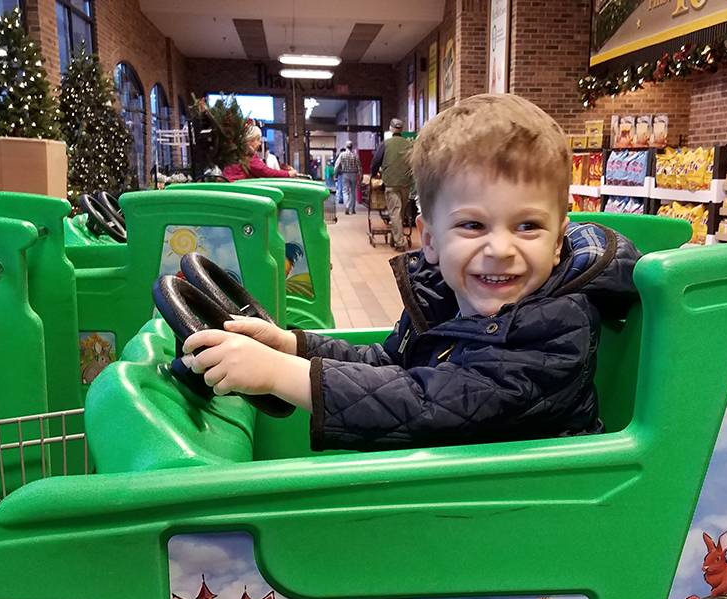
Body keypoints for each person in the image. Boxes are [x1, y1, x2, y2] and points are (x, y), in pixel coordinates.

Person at [181, 93, 641, 454]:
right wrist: (294, 345)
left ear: (558, 239)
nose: (500, 249)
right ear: (430, 239)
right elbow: (392, 363)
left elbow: (426, 403)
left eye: (527, 226)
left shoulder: (555, 334)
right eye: (473, 225)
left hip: (541, 516)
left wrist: (282, 374)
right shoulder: (444, 298)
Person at [370, 118, 413, 251]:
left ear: (390, 129)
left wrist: (373, 174)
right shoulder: (409, 144)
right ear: (402, 130)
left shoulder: (386, 144)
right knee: (400, 212)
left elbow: (376, 161)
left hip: (391, 183)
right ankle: (395, 240)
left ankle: (399, 243)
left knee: (394, 212)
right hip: (406, 183)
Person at [222, 124, 297, 181]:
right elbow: (265, 172)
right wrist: (288, 174)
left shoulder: (236, 152)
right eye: (257, 139)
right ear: (249, 141)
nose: (260, 143)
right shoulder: (247, 153)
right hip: (240, 189)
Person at [334, 140, 363, 215]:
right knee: (353, 192)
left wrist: (335, 174)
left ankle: (347, 205)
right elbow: (359, 167)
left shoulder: (342, 155)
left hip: (345, 174)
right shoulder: (355, 156)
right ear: (352, 147)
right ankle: (352, 209)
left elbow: (337, 165)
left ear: (346, 147)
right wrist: (360, 177)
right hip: (353, 174)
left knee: (345, 191)